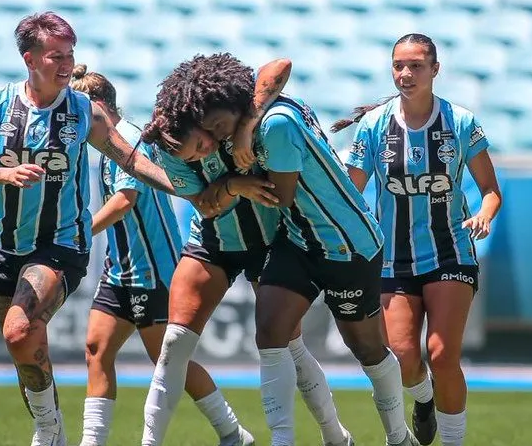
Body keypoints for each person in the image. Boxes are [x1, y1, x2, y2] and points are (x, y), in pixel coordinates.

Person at [148, 54, 420, 446]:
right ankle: (283, 440)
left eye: (222, 127)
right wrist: (237, 153)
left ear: (238, 105)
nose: (218, 138)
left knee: (367, 348)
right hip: (296, 239)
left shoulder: (275, 124)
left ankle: (399, 437)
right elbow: (273, 74)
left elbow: (280, 195)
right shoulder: (252, 119)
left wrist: (237, 161)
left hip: (346, 243)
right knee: (272, 333)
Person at [0, 12, 176, 446]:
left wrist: (188, 189)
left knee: (19, 331)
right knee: (25, 354)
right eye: (56, 55)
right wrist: (6, 176)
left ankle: (46, 433)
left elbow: (131, 161)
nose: (66, 64)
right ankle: (55, 431)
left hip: (60, 245)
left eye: (71, 55)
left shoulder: (84, 111)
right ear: (29, 58)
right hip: (4, 247)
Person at [329, 33, 503, 446]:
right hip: (393, 260)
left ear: (435, 70)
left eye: (416, 66)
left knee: (443, 355)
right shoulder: (374, 126)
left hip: (451, 254)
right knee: (404, 359)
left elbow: (491, 190)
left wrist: (483, 214)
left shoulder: (460, 122)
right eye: (398, 66)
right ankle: (423, 401)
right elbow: (351, 193)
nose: (405, 74)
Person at [69, 66, 253, 446]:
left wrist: (79, 232)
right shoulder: (104, 146)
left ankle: (233, 433)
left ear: (98, 107)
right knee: (95, 350)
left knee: (169, 363)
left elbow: (125, 200)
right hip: (119, 271)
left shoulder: (131, 140)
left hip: (154, 270)